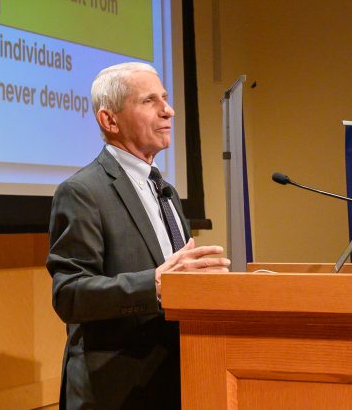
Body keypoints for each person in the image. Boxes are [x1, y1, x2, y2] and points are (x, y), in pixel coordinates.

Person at [47, 62, 230, 409]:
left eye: (165, 98)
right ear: (109, 120)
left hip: (175, 378)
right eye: (149, 101)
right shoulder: (83, 192)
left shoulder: (166, 190)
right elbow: (69, 294)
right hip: (114, 390)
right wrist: (158, 285)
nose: (169, 110)